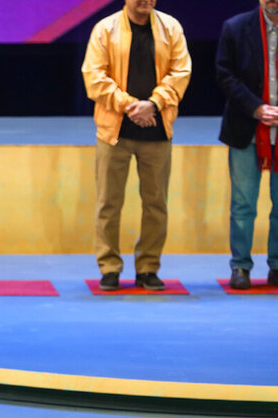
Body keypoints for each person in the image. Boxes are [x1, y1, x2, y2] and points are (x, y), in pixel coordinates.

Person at [81, 0, 191, 291]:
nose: (146, 1)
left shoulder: (171, 28)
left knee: (156, 204)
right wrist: (131, 106)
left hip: (157, 131)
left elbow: (181, 72)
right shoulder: (105, 29)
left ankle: (148, 267)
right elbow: (94, 78)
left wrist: (153, 103)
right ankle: (109, 267)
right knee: (108, 202)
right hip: (114, 132)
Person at [216, 0, 278, 289]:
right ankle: (240, 265)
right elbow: (225, 75)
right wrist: (256, 108)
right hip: (247, 127)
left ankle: (276, 265)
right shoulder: (236, 27)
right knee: (243, 204)